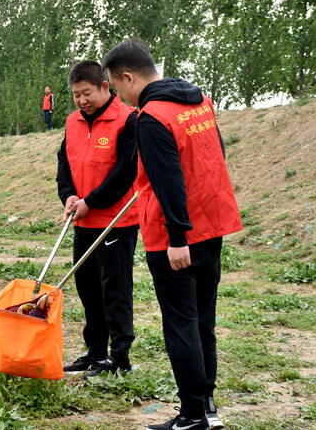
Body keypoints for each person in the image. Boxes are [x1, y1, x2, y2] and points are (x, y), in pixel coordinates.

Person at [103, 39, 242, 430]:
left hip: (175, 237)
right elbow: (216, 158)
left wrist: (177, 237)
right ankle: (207, 407)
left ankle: (193, 414)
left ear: (128, 77)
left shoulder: (151, 117)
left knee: (181, 323)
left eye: (118, 88)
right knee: (202, 321)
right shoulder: (200, 102)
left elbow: (168, 181)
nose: (123, 98)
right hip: (211, 225)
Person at [56, 61, 140, 379]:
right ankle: (96, 352)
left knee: (114, 290)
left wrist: (92, 202)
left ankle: (120, 358)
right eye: (76, 95)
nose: (81, 101)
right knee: (88, 288)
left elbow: (125, 172)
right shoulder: (73, 122)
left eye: (87, 93)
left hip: (116, 221)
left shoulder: (127, 119)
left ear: (105, 87)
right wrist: (69, 196)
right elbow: (65, 164)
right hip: (82, 221)